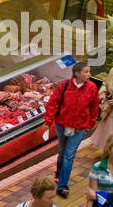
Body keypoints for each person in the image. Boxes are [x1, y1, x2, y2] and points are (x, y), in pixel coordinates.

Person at [43, 59, 100, 198]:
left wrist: (90, 124)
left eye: (89, 72)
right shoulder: (64, 85)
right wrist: (48, 121)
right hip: (62, 124)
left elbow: (94, 107)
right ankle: (58, 174)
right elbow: (53, 103)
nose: (89, 74)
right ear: (76, 74)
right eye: (86, 72)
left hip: (79, 128)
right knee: (62, 151)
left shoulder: (92, 88)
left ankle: (62, 185)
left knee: (69, 155)